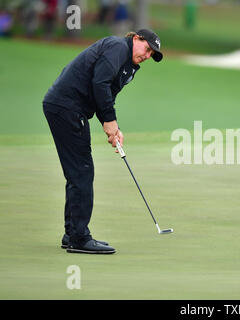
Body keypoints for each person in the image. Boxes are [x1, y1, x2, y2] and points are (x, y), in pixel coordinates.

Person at [42, 29, 163, 254]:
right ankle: (79, 238)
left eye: (151, 55)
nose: (147, 56)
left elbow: (104, 95)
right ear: (136, 38)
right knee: (82, 171)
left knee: (78, 172)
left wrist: (112, 129)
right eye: (147, 49)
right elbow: (100, 83)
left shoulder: (129, 66)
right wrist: (110, 120)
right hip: (67, 106)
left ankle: (72, 234)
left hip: (67, 108)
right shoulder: (118, 47)